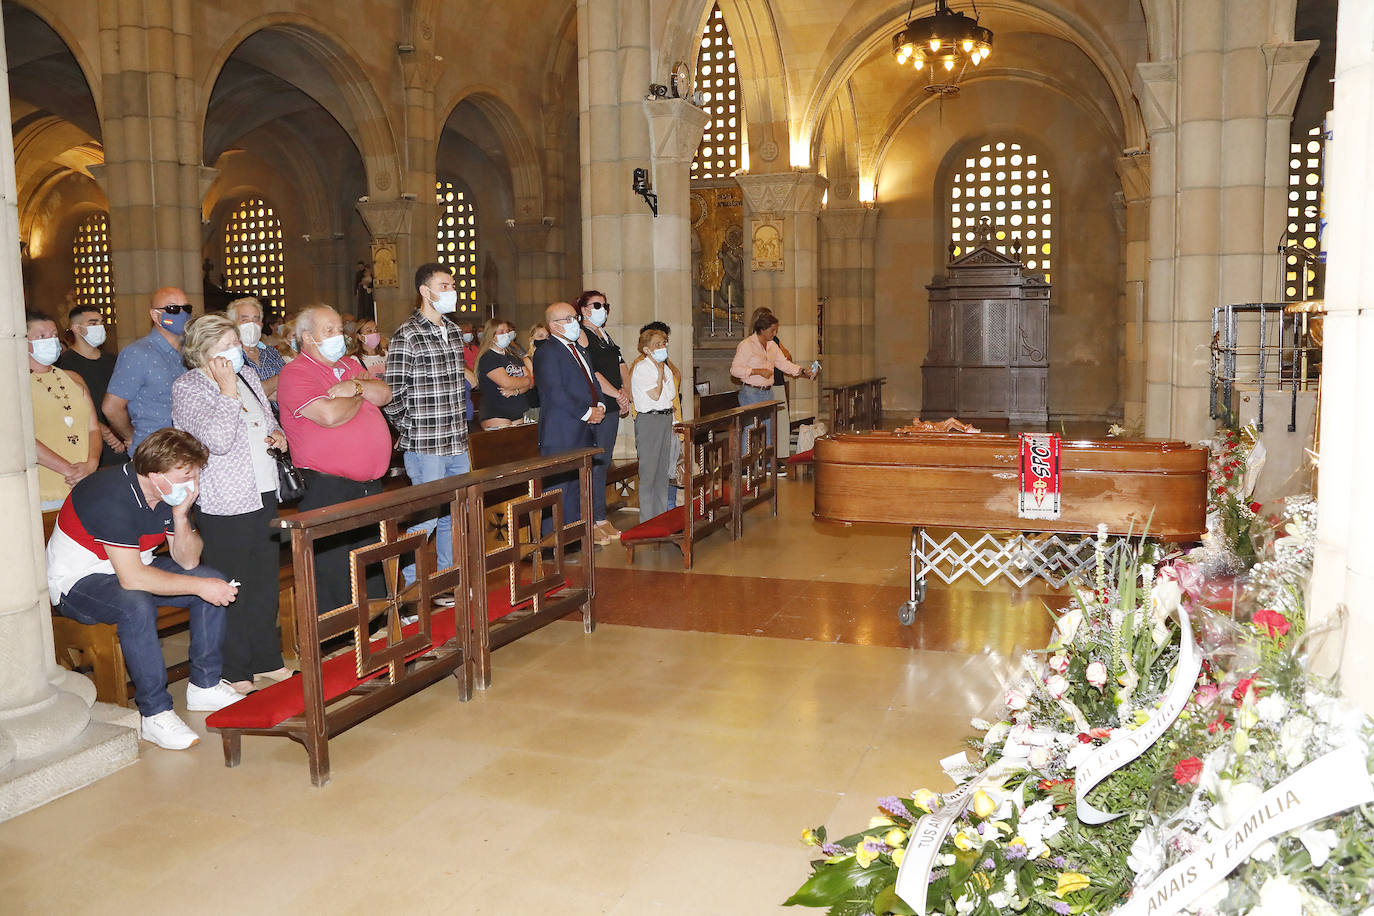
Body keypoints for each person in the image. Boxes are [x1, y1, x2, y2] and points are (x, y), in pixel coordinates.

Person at [46, 429, 243, 750]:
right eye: (185, 475)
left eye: (195, 475)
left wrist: (180, 517)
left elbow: (190, 562)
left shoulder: (167, 494)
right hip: (77, 583)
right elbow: (132, 579)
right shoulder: (109, 494)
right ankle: (155, 713)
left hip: (134, 567)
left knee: (212, 578)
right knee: (136, 603)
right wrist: (201, 586)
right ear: (154, 474)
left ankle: (204, 686)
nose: (192, 484)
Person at [172, 314, 290, 694]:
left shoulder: (248, 376)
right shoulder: (188, 388)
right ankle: (235, 667)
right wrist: (226, 390)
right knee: (233, 585)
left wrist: (278, 435)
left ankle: (267, 659)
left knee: (263, 583)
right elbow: (216, 442)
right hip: (225, 501)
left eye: (235, 344)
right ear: (201, 352)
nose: (235, 353)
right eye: (225, 347)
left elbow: (266, 419)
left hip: (263, 492)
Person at [277, 305, 394, 615]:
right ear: (306, 337)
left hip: (368, 485)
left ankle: (376, 632)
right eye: (328, 331)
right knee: (334, 571)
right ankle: (338, 642)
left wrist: (354, 386)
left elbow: (384, 394)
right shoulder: (296, 373)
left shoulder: (348, 364)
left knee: (369, 564)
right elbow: (328, 415)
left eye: (338, 329)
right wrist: (359, 393)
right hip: (327, 486)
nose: (337, 336)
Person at [384, 263, 477, 598]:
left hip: (456, 440)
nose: (451, 290)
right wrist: (414, 429)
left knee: (453, 515)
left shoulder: (452, 331)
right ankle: (409, 587)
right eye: (444, 285)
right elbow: (393, 394)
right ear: (425, 291)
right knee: (425, 517)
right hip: (426, 445)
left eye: (453, 284)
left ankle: (445, 581)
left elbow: (457, 387)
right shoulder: (406, 335)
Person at [533, 301, 605, 544]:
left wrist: (601, 405)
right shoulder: (547, 352)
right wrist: (587, 412)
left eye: (575, 317)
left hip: (583, 429)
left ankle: (574, 540)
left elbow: (592, 382)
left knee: (577, 488)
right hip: (561, 432)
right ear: (553, 325)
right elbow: (555, 393)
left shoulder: (579, 350)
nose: (575, 322)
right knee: (559, 490)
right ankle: (555, 543)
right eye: (568, 319)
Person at [104, 287, 193, 451]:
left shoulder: (192, 352)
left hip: (189, 448)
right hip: (156, 452)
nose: (182, 314)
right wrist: (132, 437)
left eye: (186, 308)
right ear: (155, 315)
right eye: (173, 309)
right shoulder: (138, 354)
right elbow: (112, 408)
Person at [29, 310, 101, 510]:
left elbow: (93, 428)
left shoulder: (73, 378)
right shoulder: (16, 384)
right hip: (47, 490)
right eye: (41, 336)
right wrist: (69, 470)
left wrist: (92, 464)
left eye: (53, 335)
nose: (50, 340)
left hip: (86, 484)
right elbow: (23, 439)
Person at [576, 290, 631, 546]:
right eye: (597, 305)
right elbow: (591, 371)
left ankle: (600, 516)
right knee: (595, 464)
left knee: (604, 461)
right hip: (598, 404)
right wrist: (616, 394)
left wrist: (626, 391)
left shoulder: (604, 335)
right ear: (584, 309)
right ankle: (593, 518)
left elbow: (621, 364)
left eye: (605, 305)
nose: (602, 310)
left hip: (612, 405)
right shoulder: (582, 335)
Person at [731, 311, 815, 460]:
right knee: (751, 428)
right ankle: (744, 464)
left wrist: (803, 371)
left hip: (768, 393)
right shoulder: (746, 345)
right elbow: (735, 370)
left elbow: (784, 364)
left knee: (769, 428)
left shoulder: (772, 345)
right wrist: (757, 371)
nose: (775, 333)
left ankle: (768, 463)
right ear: (762, 330)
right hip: (751, 392)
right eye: (772, 330)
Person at [57, 303, 126, 465]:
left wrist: (121, 431)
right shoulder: (64, 363)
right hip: (89, 443)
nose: (99, 328)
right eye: (93, 324)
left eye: (101, 323)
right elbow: (68, 406)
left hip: (120, 441)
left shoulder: (112, 360)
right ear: (76, 328)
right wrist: (103, 430)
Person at [629, 325, 680, 523]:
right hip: (649, 420)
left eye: (664, 343)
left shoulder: (665, 368)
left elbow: (670, 397)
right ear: (647, 349)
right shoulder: (642, 368)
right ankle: (647, 520)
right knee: (649, 472)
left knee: (662, 472)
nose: (662, 347)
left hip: (665, 418)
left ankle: (660, 517)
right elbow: (655, 394)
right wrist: (659, 375)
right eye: (657, 344)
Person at [476, 318, 534, 429]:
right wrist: (525, 381)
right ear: (492, 336)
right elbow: (506, 382)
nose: (506, 334)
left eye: (507, 331)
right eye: (502, 332)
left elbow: (531, 383)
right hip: (496, 412)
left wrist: (515, 391)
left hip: (517, 409)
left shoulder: (513, 357)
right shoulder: (488, 358)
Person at [227, 296, 286, 400]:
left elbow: (290, 384)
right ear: (232, 324)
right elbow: (242, 396)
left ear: (261, 324)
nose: (252, 324)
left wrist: (263, 391)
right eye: (245, 320)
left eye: (256, 319)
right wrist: (279, 378)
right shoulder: (230, 357)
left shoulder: (271, 352)